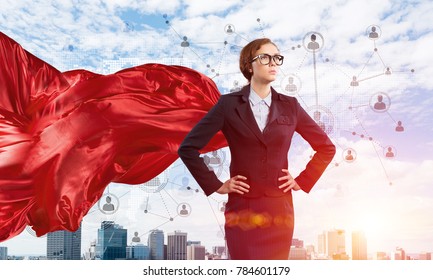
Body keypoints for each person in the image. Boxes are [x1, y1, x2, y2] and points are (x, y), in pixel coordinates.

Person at [178, 38, 336, 260]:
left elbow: (326, 147)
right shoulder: (228, 105)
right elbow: (188, 148)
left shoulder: (290, 106)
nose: (273, 63)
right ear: (248, 65)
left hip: (279, 211)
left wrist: (303, 180)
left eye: (277, 58)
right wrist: (215, 185)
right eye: (265, 57)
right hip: (242, 210)